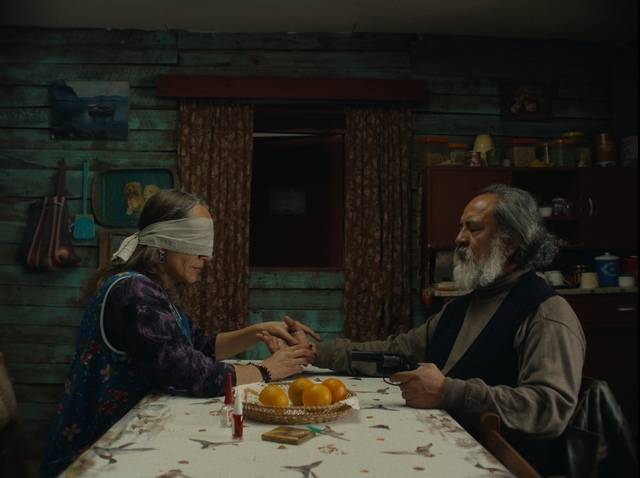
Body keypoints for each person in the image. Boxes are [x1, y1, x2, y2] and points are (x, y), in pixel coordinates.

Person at [267, 184, 585, 474]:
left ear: (510, 242)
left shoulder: (545, 312)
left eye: (473, 228)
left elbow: (550, 410)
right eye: (461, 227)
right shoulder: (461, 307)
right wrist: (313, 352)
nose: (459, 238)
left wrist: (448, 392)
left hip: (499, 466)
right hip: (448, 447)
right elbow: (395, 351)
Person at [40, 189, 317, 477]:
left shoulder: (152, 290)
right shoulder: (134, 291)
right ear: (164, 242)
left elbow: (199, 346)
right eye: (196, 241)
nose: (205, 255)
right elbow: (187, 372)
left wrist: (257, 331)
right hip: (97, 454)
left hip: (128, 440)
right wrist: (266, 370)